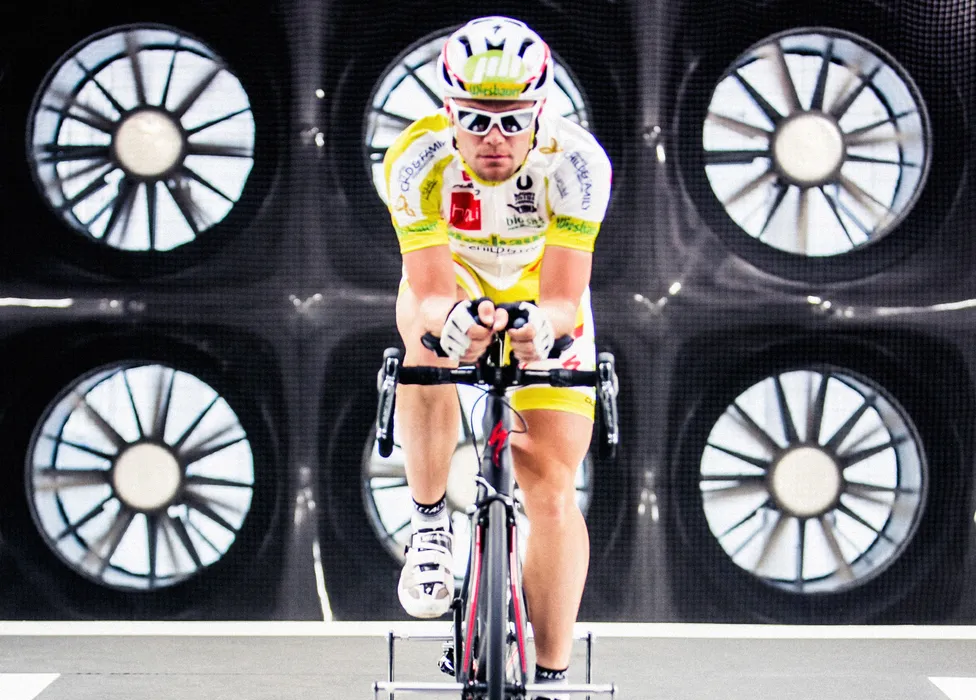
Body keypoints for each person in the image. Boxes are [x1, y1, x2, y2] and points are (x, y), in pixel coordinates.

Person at [382, 15, 612, 699]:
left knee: (549, 486)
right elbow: (426, 289)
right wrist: (449, 320)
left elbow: (567, 298)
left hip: (542, 294)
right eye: (476, 120)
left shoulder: (577, 163)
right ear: (447, 110)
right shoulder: (414, 159)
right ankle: (428, 530)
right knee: (423, 348)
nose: (493, 139)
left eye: (513, 123)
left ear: (541, 113)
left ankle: (551, 674)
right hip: (456, 281)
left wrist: (544, 329)